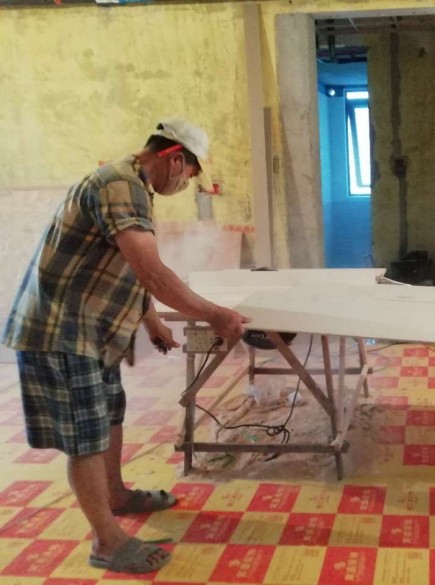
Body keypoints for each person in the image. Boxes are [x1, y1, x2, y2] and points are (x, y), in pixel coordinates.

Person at [3, 118, 250, 574]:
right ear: (174, 159)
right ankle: (107, 541)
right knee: (85, 437)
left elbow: (126, 267)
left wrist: (150, 318)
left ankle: (115, 495)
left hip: (94, 332)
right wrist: (214, 314)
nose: (187, 182)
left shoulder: (134, 187)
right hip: (62, 332)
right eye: (190, 172)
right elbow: (152, 271)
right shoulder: (119, 184)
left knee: (109, 415)